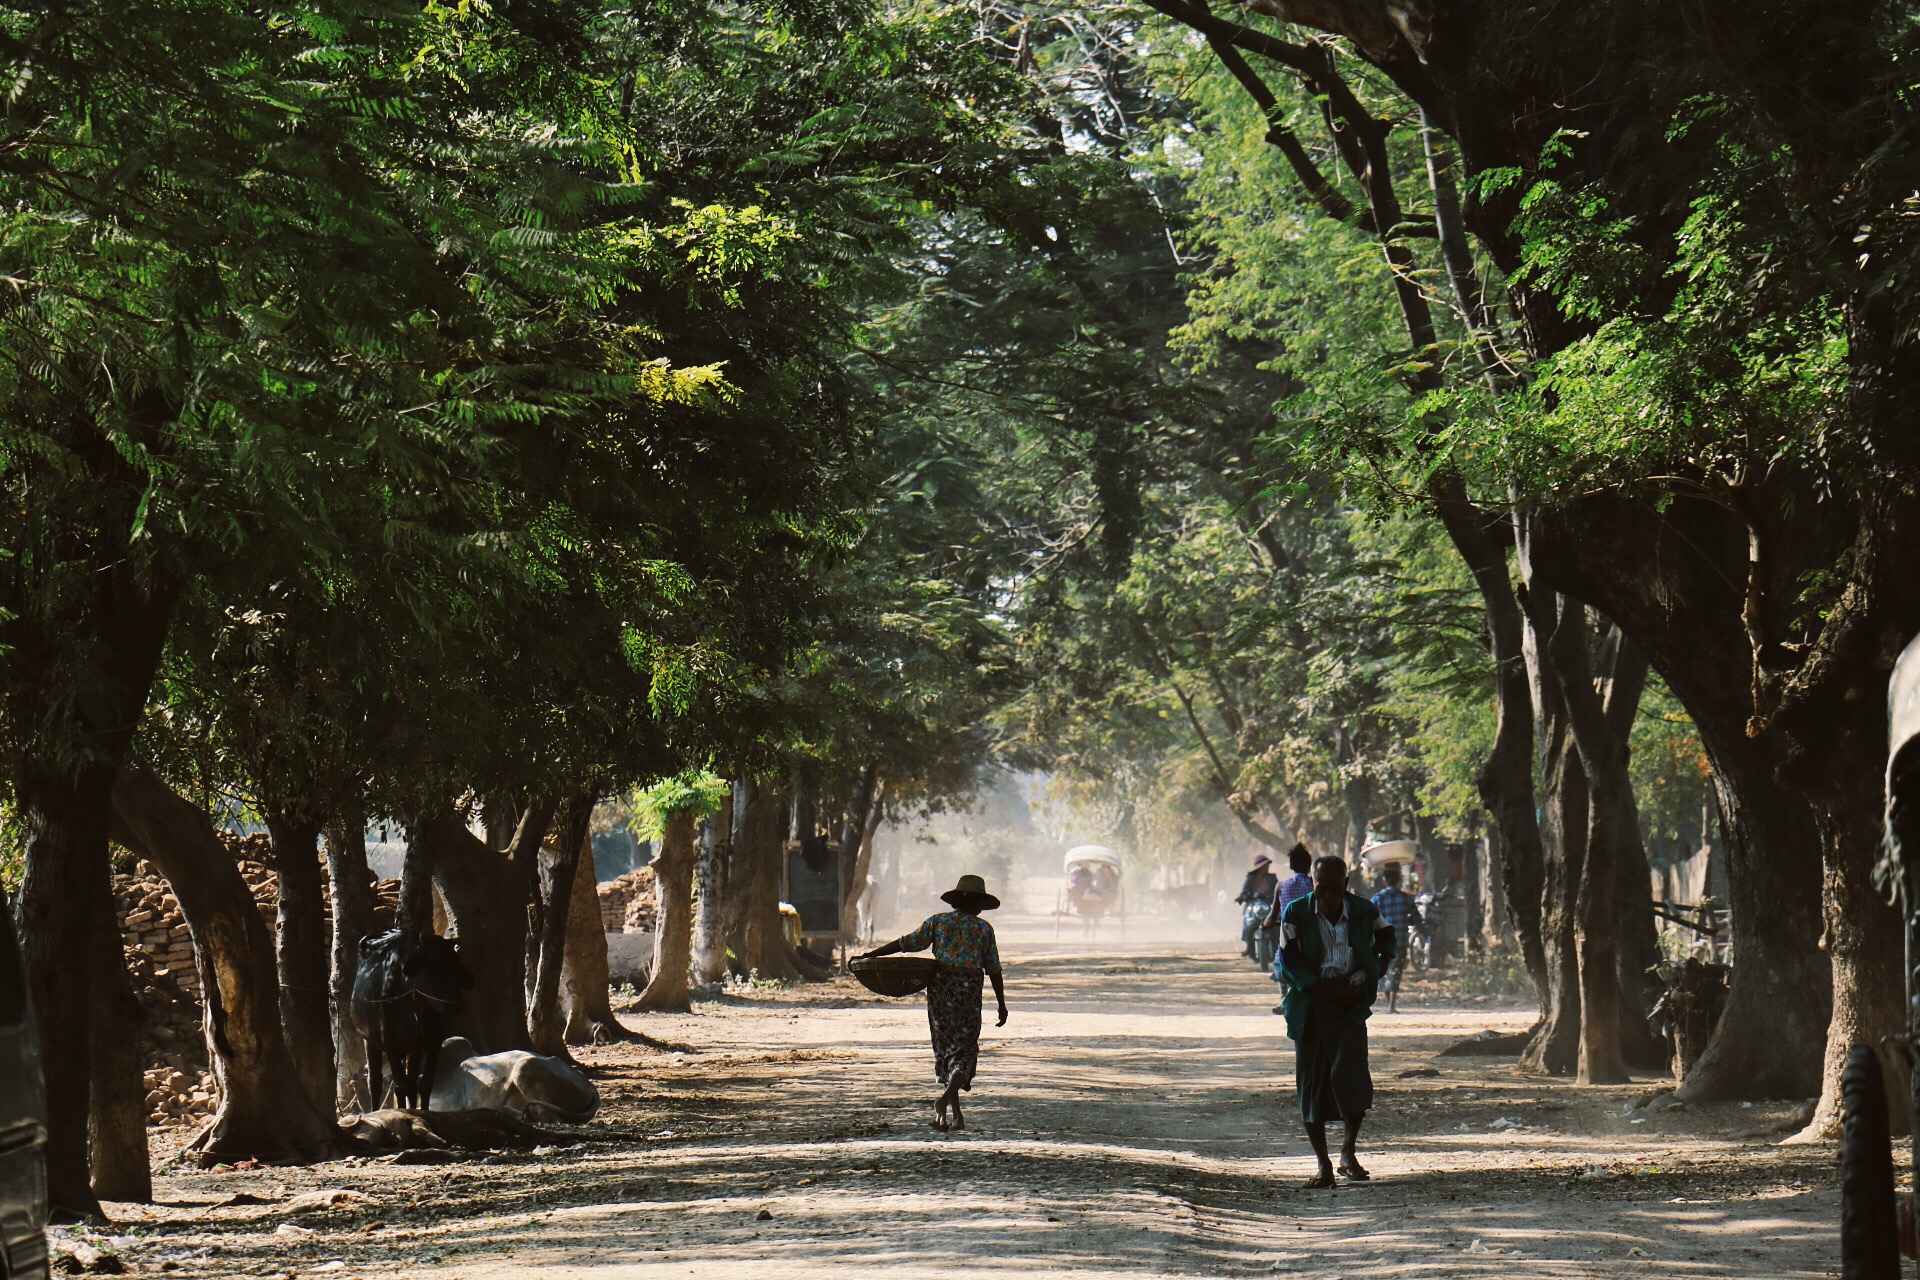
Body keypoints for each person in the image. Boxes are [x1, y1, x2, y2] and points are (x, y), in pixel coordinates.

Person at [1276, 854, 1396, 1188]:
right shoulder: (1297, 912)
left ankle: (1347, 1151)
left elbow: (1386, 937)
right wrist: (1319, 986)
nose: (1327, 897)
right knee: (1312, 1082)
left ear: (1346, 884)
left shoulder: (1363, 910)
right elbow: (1288, 958)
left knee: (1353, 1076)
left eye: (1334, 889)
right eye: (1320, 888)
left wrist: (1377, 968)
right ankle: (1322, 1165)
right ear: (1313, 885)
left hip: (1351, 1005)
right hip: (1312, 1003)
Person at [859, 874, 1007, 1131]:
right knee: (965, 1049)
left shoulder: (938, 922)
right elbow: (993, 969)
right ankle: (947, 1103)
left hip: (940, 989)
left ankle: (955, 1116)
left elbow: (907, 942)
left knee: (946, 1048)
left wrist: (874, 953)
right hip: (969, 991)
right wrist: (1001, 1004)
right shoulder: (983, 929)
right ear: (978, 904)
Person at [1370, 864, 1417, 1013]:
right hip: (1400, 941)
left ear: (1385, 880)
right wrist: (1406, 921)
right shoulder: (1406, 899)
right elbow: (1416, 918)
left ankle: (1388, 1003)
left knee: (1384, 971)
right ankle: (1392, 1005)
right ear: (1399, 880)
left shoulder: (1377, 899)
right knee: (1396, 971)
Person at [1235, 854, 1279, 960]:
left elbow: (1277, 890)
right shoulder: (1250, 878)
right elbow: (1245, 891)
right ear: (1259, 867)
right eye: (1264, 866)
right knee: (1248, 924)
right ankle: (1249, 948)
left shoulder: (1272, 878)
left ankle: (1277, 950)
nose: (1267, 867)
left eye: (1267, 865)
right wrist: (1241, 897)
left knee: (1276, 927)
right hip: (1253, 905)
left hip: (1268, 905)